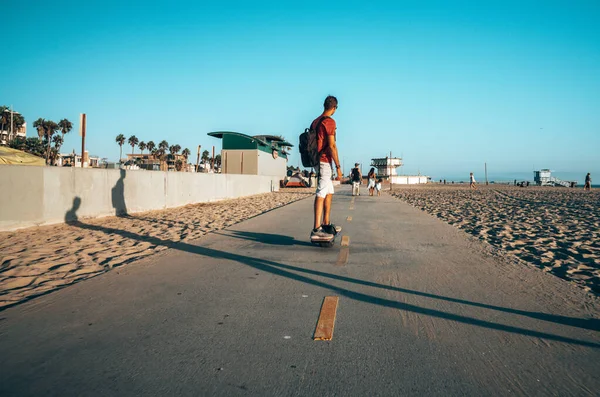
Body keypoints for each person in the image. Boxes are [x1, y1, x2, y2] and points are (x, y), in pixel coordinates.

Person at [310, 95, 343, 242]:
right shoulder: (330, 122)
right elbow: (331, 146)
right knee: (321, 192)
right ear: (334, 108)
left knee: (329, 191)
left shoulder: (315, 121)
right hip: (324, 161)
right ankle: (316, 229)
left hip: (317, 160)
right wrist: (338, 166)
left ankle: (326, 223)